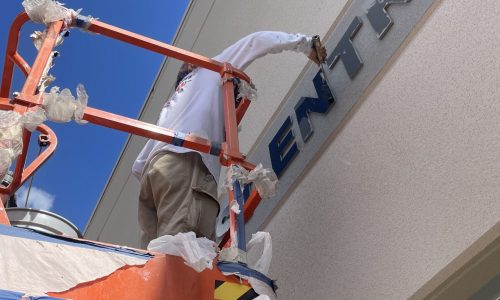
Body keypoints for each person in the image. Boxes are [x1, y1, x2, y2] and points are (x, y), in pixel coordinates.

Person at [132, 31, 327, 248]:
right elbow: (254, 42)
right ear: (192, 65)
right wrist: (306, 44)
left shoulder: (169, 109)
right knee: (183, 259)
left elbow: (138, 166)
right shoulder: (208, 70)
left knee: (151, 261)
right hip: (186, 163)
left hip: (153, 177)